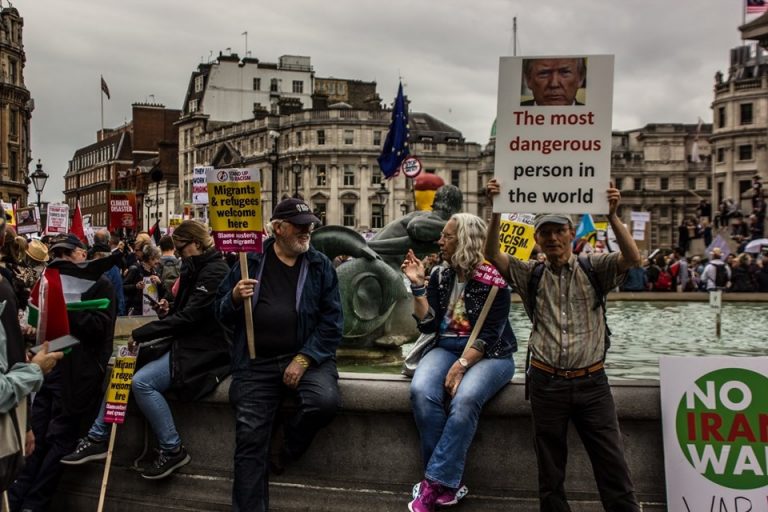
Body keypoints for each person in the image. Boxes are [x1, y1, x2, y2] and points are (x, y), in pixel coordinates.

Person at [485, 178, 642, 512]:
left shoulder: (594, 267)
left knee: (613, 468)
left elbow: (632, 258)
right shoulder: (530, 274)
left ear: (572, 233)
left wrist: (613, 217)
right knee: (550, 474)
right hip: (547, 383)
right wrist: (496, 211)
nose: (553, 238)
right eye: (545, 232)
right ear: (537, 239)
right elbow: (491, 254)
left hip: (593, 383)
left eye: (559, 231)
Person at [61, 221, 230, 480]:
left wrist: (143, 332)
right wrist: (167, 309)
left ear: (196, 244)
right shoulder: (192, 266)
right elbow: (182, 311)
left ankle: (173, 448)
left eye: (181, 248)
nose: (178, 254)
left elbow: (192, 317)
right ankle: (97, 437)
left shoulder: (215, 270)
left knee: (142, 382)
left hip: (203, 349)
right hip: (184, 341)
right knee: (123, 366)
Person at [215, 198, 343, 512]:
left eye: (309, 224)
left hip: (306, 358)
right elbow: (218, 312)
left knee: (323, 402)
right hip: (256, 364)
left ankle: (286, 450)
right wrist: (233, 297)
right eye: (299, 225)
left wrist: (304, 358)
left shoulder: (319, 265)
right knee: (249, 444)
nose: (306, 230)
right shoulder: (251, 262)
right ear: (278, 228)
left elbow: (333, 322)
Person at [401, 213, 516, 512]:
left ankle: (431, 485)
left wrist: (462, 364)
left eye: (447, 236)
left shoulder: (494, 279)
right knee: (421, 393)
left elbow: (491, 335)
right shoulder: (441, 274)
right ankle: (446, 484)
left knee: (464, 400)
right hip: (446, 346)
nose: (440, 241)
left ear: (465, 240)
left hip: (491, 354)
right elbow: (428, 325)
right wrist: (417, 287)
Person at [8, 233, 117, 512]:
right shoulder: (50, 283)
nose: (63, 259)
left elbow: (98, 328)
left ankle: (34, 503)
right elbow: (45, 326)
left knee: (60, 440)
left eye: (68, 254)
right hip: (51, 368)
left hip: (79, 373)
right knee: (36, 437)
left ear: (83, 254)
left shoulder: (100, 284)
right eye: (58, 255)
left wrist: (65, 309)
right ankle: (17, 497)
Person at [521, 57, 586, 106]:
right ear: (528, 79)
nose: (554, 84)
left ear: (580, 78)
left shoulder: (594, 117)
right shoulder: (512, 113)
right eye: (544, 73)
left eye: (565, 72)